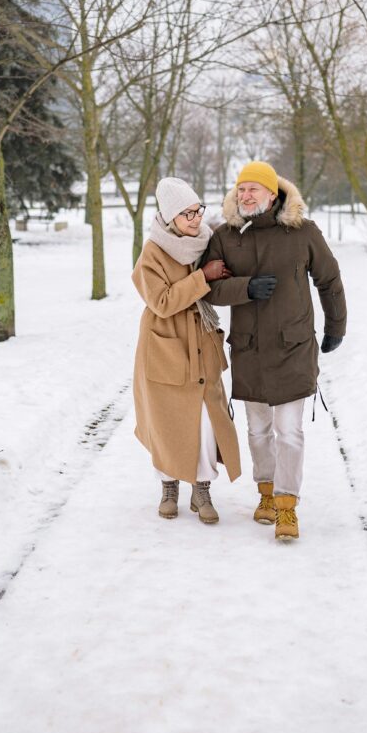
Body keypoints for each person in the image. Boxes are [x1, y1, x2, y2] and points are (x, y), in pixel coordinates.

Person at [203, 161, 346, 541]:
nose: (245, 195)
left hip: (293, 347)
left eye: (254, 189)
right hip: (249, 350)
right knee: (258, 432)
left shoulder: (303, 232)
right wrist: (245, 289)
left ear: (272, 193)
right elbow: (209, 289)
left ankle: (287, 506)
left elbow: (329, 280)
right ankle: (265, 493)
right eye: (241, 189)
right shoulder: (226, 237)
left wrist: (336, 327)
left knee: (290, 432)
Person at [132, 177, 241, 524]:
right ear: (168, 217)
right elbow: (162, 302)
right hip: (165, 344)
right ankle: (169, 486)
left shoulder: (207, 242)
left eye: (197, 211)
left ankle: (202, 486)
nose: (195, 219)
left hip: (201, 340)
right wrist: (203, 278)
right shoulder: (152, 252)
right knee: (166, 420)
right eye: (186, 214)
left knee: (208, 420)